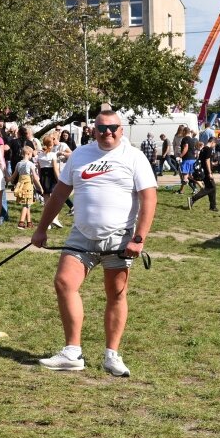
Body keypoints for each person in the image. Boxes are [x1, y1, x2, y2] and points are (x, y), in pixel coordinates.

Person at [33, 110, 157, 377]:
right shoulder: (80, 155)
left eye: (112, 127)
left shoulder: (134, 157)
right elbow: (59, 194)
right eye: (101, 128)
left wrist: (138, 239)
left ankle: (112, 355)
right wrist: (41, 228)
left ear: (121, 129)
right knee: (64, 282)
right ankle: (72, 352)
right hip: (82, 235)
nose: (107, 132)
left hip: (120, 237)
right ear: (93, 130)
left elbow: (149, 198)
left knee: (116, 294)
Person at [11, 145, 43, 229]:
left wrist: (9, 180)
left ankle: (29, 222)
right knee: (26, 205)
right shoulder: (30, 164)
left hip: (21, 185)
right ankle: (21, 223)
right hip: (28, 186)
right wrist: (40, 187)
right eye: (31, 154)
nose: (32, 155)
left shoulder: (18, 164)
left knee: (27, 204)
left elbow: (14, 176)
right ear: (28, 153)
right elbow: (35, 178)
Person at [36, 134, 63, 228]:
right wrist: (59, 180)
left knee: (46, 201)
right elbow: (55, 169)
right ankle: (54, 218)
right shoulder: (53, 155)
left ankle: (47, 223)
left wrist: (39, 180)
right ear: (51, 145)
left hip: (43, 177)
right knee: (56, 199)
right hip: (52, 177)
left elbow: (39, 170)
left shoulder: (39, 156)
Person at [188, 137, 218, 212]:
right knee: (210, 188)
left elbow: (202, 160)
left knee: (212, 188)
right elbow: (207, 160)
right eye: (214, 144)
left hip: (202, 171)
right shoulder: (209, 149)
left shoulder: (203, 148)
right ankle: (193, 199)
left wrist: (212, 164)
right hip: (206, 172)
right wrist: (210, 172)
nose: (214, 146)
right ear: (212, 142)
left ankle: (213, 206)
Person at [177, 129, 197, 194]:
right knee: (190, 176)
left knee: (185, 176)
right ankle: (182, 190)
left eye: (182, 132)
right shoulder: (192, 139)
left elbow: (186, 147)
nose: (182, 133)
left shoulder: (185, 139)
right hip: (192, 159)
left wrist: (180, 156)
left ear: (184, 132)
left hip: (187, 159)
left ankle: (182, 190)